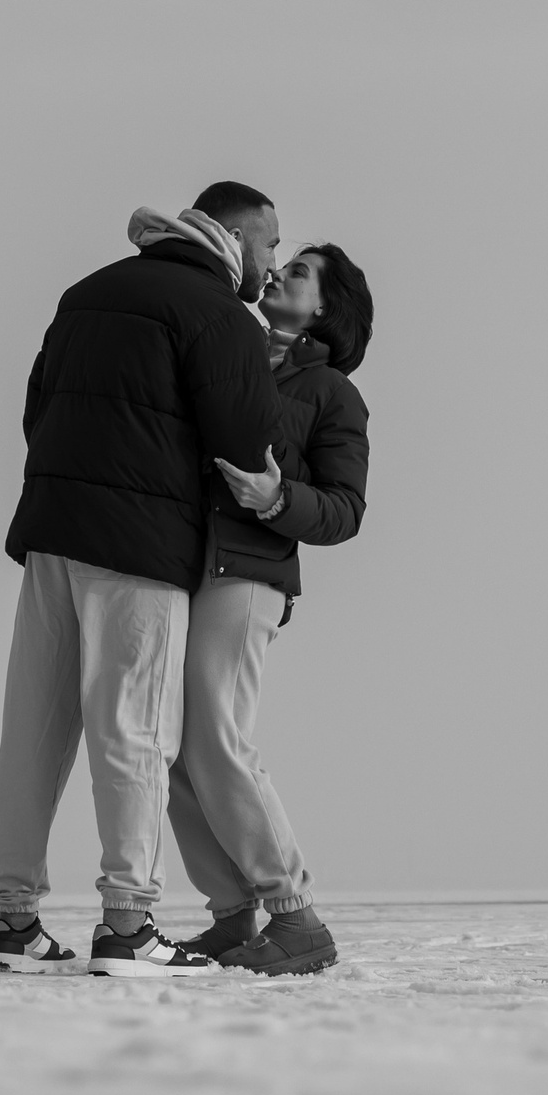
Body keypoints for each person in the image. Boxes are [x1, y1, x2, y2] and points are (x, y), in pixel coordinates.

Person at [0, 182, 286, 977]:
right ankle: (129, 926)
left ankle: (13, 924)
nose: (273, 263)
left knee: (32, 735)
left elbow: (35, 411)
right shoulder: (221, 317)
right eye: (271, 244)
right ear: (236, 235)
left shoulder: (88, 292)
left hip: (51, 533)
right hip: (140, 549)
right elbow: (245, 444)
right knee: (136, 736)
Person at [163, 241, 374, 976]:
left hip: (250, 572)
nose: (281, 271)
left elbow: (345, 510)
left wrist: (277, 498)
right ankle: (231, 913)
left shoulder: (333, 393)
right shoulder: (233, 353)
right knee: (169, 744)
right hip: (185, 567)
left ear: (326, 306)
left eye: (302, 271)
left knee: (217, 735)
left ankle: (295, 915)